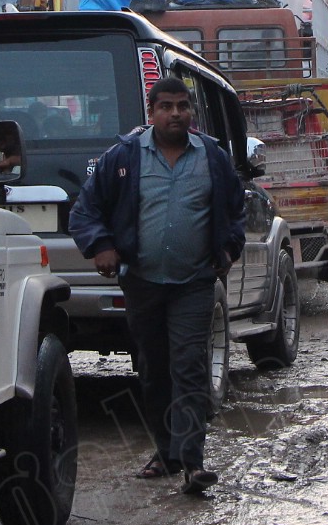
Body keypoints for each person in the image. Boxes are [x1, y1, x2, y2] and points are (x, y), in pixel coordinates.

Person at [69, 77, 246, 496]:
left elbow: (235, 210)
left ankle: (192, 463)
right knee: (153, 369)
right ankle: (167, 452)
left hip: (194, 282)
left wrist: (226, 252)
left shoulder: (212, 157)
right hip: (143, 282)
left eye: (182, 106)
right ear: (151, 113)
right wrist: (102, 247)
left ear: (191, 112)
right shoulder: (124, 157)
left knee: (189, 366)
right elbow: (86, 210)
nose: (175, 114)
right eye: (166, 106)